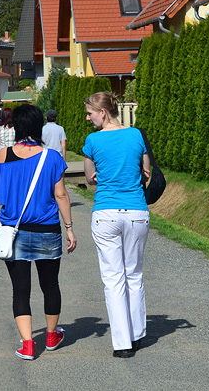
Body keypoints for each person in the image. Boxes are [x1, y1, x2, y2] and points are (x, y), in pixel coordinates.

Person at [0, 104, 76, 361]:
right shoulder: (52, 157)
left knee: (20, 290)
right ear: (39, 126)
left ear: (16, 126)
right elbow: (60, 195)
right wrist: (69, 228)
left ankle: (28, 344)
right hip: (47, 229)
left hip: (13, 230)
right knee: (50, 285)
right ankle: (51, 336)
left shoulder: (3, 155)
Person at [83, 92, 150, 359]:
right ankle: (137, 334)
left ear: (103, 112)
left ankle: (122, 342)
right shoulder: (136, 135)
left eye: (90, 113)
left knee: (113, 278)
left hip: (106, 212)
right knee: (133, 274)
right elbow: (145, 170)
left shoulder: (93, 141)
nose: (88, 118)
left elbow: (90, 178)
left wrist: (104, 174)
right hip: (135, 210)